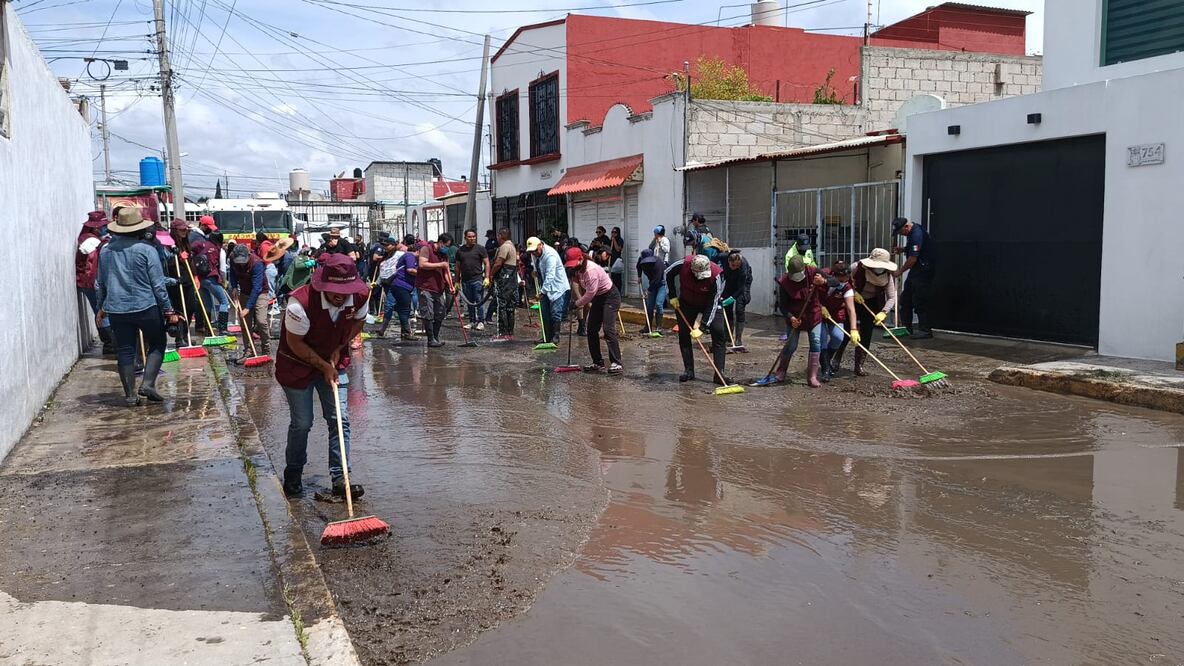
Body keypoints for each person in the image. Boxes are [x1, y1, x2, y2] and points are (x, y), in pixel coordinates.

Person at [275, 253, 369, 499]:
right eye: (335, 290)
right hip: (296, 365)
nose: (341, 295)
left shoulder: (360, 297)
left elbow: (358, 322)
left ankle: (341, 478)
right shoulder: (299, 304)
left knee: (340, 419)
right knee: (303, 423)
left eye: (345, 290)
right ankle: (293, 475)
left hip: (332, 360)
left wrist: (340, 347)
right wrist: (324, 366)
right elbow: (295, 343)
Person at [95, 207, 178, 405]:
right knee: (157, 343)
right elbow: (158, 284)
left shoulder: (106, 252)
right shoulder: (147, 250)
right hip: (145, 306)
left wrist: (101, 307)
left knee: (125, 350)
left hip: (117, 309)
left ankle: (130, 396)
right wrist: (169, 310)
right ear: (139, 229)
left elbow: (100, 283)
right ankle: (148, 384)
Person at [757, 256, 823, 387]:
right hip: (795, 317)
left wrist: (823, 280)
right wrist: (791, 317)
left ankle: (812, 377)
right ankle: (781, 371)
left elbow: (833, 281)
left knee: (816, 342)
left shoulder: (813, 272)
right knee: (791, 345)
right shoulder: (785, 282)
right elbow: (783, 306)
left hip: (813, 315)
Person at [665, 254, 729, 384]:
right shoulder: (683, 264)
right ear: (693, 270)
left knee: (718, 332)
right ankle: (688, 370)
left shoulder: (716, 275)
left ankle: (719, 373)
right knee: (683, 334)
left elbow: (713, 303)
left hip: (709, 303)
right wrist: (671, 295)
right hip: (687, 302)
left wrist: (703, 327)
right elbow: (667, 273)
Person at [567, 247, 622, 374]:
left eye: (574, 264)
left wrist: (576, 304)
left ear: (581, 259)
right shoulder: (578, 269)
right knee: (591, 329)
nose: (573, 267)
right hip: (598, 297)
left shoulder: (591, 270)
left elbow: (590, 294)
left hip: (610, 297)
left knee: (608, 330)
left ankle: (616, 363)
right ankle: (597, 362)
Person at [851, 248, 898, 377]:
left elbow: (892, 297)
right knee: (846, 333)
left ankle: (859, 365)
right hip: (853, 300)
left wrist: (884, 312)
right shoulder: (857, 267)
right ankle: (835, 359)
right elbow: (844, 281)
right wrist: (853, 292)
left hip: (871, 304)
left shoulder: (887, 275)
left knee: (866, 334)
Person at [77, 211, 114, 355]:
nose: (105, 228)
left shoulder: (98, 240)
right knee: (101, 311)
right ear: (96, 227)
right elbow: (92, 266)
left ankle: (110, 343)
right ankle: (109, 343)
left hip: (94, 280)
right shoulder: (89, 241)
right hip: (90, 282)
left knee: (102, 310)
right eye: (103, 225)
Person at [892, 216, 935, 339]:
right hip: (916, 271)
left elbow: (912, 258)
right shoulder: (912, 232)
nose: (901, 234)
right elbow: (915, 249)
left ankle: (925, 330)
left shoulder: (916, 234)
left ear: (906, 226)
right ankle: (907, 328)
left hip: (923, 271)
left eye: (901, 232)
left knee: (919, 300)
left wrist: (900, 271)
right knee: (905, 299)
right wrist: (903, 249)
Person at [227, 243, 272, 359]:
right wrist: (234, 287)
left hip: (260, 292)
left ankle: (266, 348)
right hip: (245, 291)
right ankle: (248, 349)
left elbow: (257, 288)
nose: (241, 263)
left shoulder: (257, 263)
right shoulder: (232, 258)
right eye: (239, 261)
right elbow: (232, 273)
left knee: (261, 321)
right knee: (245, 323)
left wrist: (247, 308)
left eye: (243, 261)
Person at [817, 262, 859, 382]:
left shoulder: (848, 287)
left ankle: (826, 360)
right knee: (822, 338)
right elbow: (811, 294)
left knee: (838, 337)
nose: (843, 282)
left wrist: (854, 329)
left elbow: (851, 309)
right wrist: (819, 306)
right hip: (818, 312)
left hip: (835, 314)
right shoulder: (822, 276)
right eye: (840, 280)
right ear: (834, 276)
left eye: (846, 280)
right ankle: (825, 370)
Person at [527, 236, 570, 345]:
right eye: (532, 252)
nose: (534, 253)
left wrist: (542, 292)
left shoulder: (550, 255)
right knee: (544, 312)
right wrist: (535, 272)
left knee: (555, 312)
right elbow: (536, 268)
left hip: (557, 287)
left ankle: (555, 337)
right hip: (545, 287)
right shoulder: (535, 255)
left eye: (535, 251)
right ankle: (546, 336)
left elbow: (550, 276)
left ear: (540, 245)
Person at [191, 226, 231, 336]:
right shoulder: (220, 250)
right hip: (211, 278)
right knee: (224, 302)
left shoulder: (202, 245)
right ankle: (222, 329)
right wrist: (224, 281)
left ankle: (208, 329)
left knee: (207, 304)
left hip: (201, 279)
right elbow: (222, 269)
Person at [416, 233, 453, 348]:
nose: (446, 248)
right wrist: (440, 264)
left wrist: (450, 285)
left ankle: (436, 337)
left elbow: (446, 271)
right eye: (446, 245)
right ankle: (431, 339)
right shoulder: (426, 249)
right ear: (440, 242)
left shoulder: (443, 255)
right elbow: (422, 264)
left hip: (439, 288)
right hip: (426, 287)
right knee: (428, 313)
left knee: (440, 312)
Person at [380, 236, 418, 341]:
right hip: (391, 283)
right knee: (392, 306)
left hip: (398, 283)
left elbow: (407, 268)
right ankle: (384, 330)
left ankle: (405, 331)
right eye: (384, 245)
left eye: (387, 245)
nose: (385, 247)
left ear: (394, 245)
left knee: (401, 307)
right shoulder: (386, 256)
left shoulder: (402, 254)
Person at [456, 229, 490, 330]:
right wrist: (456, 281)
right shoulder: (460, 250)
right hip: (465, 280)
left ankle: (481, 321)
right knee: (469, 302)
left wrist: (487, 277)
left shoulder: (480, 249)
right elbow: (458, 266)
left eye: (474, 236)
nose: (472, 238)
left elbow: (487, 263)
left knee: (479, 301)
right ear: (465, 237)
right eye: (470, 237)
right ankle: (472, 321)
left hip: (477, 279)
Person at [489, 228, 519, 342]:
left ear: (500, 236)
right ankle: (509, 332)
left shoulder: (505, 247)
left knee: (502, 305)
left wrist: (490, 275)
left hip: (505, 280)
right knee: (510, 306)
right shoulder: (511, 246)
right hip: (511, 280)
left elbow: (498, 263)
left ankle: (503, 332)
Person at [720, 250, 752, 351]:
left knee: (739, 308)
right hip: (730, 280)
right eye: (733, 265)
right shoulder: (724, 257)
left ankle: (738, 339)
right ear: (728, 261)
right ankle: (728, 337)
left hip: (743, 284)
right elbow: (714, 259)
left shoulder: (743, 267)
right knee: (726, 307)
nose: (735, 268)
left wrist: (733, 298)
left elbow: (740, 288)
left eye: (737, 266)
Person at [635, 248, 666, 334]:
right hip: (652, 283)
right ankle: (647, 327)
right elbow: (638, 267)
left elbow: (656, 280)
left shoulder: (658, 263)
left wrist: (648, 291)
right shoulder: (641, 260)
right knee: (649, 306)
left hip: (661, 284)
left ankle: (659, 328)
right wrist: (639, 276)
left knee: (659, 304)